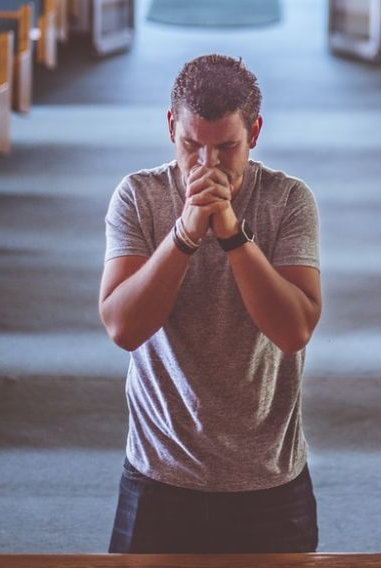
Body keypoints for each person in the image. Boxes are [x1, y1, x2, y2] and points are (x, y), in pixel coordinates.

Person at [98, 53, 322, 554]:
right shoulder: (138, 196)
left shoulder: (288, 200)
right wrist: (183, 233)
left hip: (268, 478)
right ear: (170, 126)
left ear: (255, 132)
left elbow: (294, 331)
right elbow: (124, 328)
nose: (207, 165)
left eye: (227, 148)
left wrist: (232, 233)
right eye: (191, 146)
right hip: (159, 472)